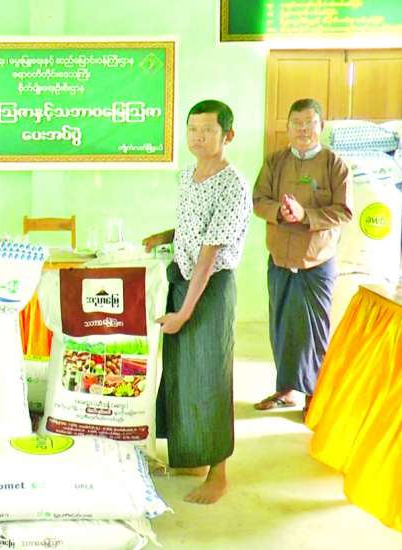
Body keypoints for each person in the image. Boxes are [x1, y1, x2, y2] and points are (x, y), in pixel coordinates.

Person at [142, 100, 250, 504]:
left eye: (208, 130)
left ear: (227, 136)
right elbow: (192, 227)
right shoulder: (188, 175)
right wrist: (164, 236)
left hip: (210, 287)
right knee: (181, 376)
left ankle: (219, 473)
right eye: (192, 129)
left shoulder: (232, 184)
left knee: (210, 377)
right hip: (183, 279)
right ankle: (192, 459)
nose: (198, 137)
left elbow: (209, 252)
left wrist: (184, 312)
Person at [252, 98, 352, 418]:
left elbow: (344, 211)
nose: (303, 130)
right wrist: (280, 212)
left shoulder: (334, 164)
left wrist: (305, 214)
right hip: (280, 260)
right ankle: (286, 390)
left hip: (316, 262)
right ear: (288, 128)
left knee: (314, 331)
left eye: (310, 123)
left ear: (321, 126)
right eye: (296, 123)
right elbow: (258, 200)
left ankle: (315, 395)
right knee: (281, 328)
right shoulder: (275, 162)